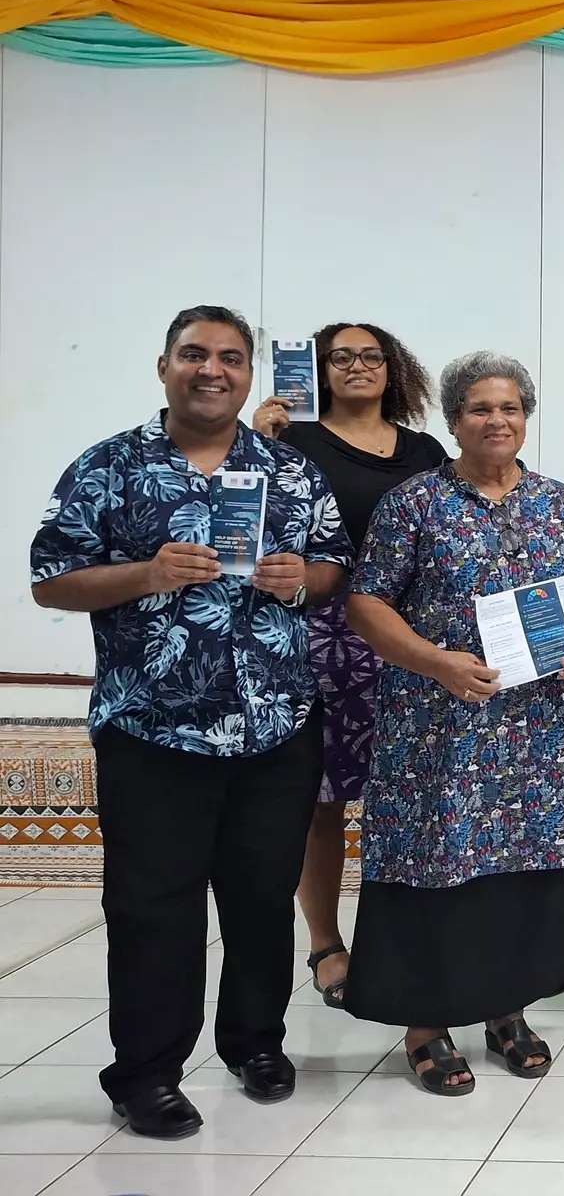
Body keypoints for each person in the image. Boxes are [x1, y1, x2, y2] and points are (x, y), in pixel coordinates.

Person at [31, 306, 354, 1138]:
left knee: (258, 901)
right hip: (154, 732)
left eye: (230, 358)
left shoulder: (287, 469)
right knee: (153, 907)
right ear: (165, 365)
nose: (212, 370)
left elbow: (333, 569)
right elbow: (51, 579)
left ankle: (255, 1043)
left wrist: (298, 580)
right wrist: (145, 573)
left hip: (275, 726)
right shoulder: (110, 467)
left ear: (250, 374)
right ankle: (145, 1073)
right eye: (194, 355)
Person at [345, 352, 564, 1094]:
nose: (498, 421)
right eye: (481, 409)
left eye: (511, 408)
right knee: (433, 866)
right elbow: (367, 604)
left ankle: (506, 1012)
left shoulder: (557, 504)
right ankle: (426, 1028)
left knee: (519, 871)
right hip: (437, 726)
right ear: (454, 420)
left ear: (527, 418)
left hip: (528, 729)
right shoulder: (416, 503)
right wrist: (435, 661)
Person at [251, 322, 446, 1010]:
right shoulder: (290, 443)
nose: (358, 366)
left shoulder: (425, 450)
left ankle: (408, 936)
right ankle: (328, 945)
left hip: (415, 636)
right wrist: (260, 443)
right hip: (324, 634)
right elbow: (258, 529)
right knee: (324, 798)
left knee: (415, 793)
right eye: (342, 357)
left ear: (394, 369)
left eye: (371, 356)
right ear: (320, 370)